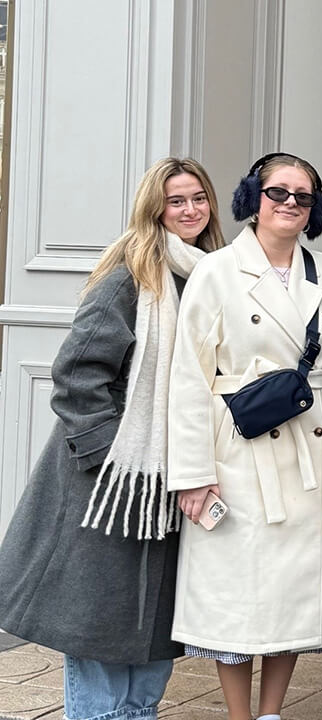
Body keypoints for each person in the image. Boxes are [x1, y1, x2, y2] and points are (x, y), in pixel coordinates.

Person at [0, 158, 223, 720]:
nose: (191, 210)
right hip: (107, 486)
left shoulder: (210, 276)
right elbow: (76, 374)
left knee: (152, 625)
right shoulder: (131, 275)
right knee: (98, 624)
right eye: (177, 201)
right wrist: (108, 460)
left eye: (199, 198)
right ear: (155, 209)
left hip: (172, 478)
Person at [167, 152, 322, 720]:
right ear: (252, 198)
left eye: (302, 197)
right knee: (238, 591)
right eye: (277, 192)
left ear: (315, 209)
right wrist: (191, 474)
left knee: (294, 594)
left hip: (316, 449)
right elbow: (188, 378)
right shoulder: (216, 272)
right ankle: (238, 714)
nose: (289, 204)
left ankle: (271, 712)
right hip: (238, 449)